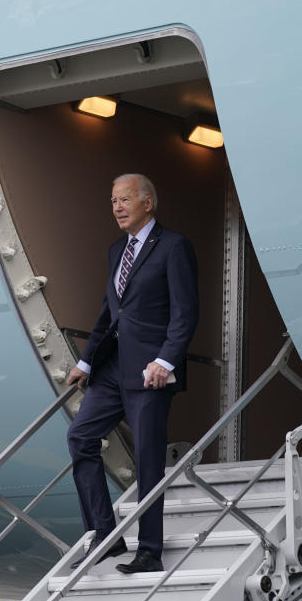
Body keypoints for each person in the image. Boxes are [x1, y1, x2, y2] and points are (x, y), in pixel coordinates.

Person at [66, 173, 199, 574]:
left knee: (147, 460)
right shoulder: (115, 251)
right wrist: (86, 361)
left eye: (124, 200)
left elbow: (186, 312)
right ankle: (105, 536)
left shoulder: (173, 246)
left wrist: (166, 360)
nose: (117, 207)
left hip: (148, 373)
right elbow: (109, 312)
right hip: (111, 370)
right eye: (112, 201)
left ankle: (150, 552)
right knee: (80, 437)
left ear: (147, 203)